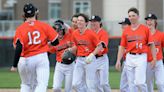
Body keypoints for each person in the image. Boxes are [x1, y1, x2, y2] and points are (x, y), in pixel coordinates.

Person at [10, 3, 59, 92]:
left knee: (26, 84)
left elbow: (18, 47)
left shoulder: (20, 29)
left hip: (24, 60)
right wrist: (46, 43)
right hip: (40, 57)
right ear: (35, 13)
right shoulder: (44, 25)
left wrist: (14, 65)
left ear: (24, 15)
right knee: (41, 84)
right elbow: (56, 42)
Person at [115, 7, 156, 92]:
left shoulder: (145, 29)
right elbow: (122, 47)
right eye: (129, 16)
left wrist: (154, 58)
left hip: (141, 57)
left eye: (133, 15)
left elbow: (152, 45)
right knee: (131, 85)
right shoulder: (126, 31)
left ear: (138, 16)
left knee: (139, 83)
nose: (131, 17)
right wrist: (118, 60)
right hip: (129, 57)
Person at [71, 13, 104, 92]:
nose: (79, 22)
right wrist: (70, 50)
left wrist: (92, 55)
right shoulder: (74, 33)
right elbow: (76, 46)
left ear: (86, 23)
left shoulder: (91, 34)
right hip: (79, 60)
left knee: (90, 85)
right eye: (78, 20)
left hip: (90, 60)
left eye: (81, 20)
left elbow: (100, 46)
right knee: (75, 84)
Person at [48, 20, 75, 92]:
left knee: (68, 90)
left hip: (70, 66)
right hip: (59, 66)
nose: (58, 32)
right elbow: (48, 53)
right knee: (56, 88)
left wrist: (63, 23)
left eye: (60, 30)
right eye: (56, 30)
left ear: (63, 30)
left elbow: (72, 30)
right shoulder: (54, 42)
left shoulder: (69, 36)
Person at [89, 15, 111, 92]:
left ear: (99, 23)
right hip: (93, 59)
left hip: (102, 59)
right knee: (95, 84)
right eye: (91, 21)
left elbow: (102, 46)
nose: (92, 23)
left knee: (104, 83)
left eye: (95, 21)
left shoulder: (103, 33)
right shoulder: (90, 33)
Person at [145, 13, 164, 92]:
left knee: (160, 83)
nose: (149, 22)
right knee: (148, 84)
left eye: (151, 20)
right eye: (148, 20)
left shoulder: (161, 34)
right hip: (147, 63)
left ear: (155, 21)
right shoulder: (144, 35)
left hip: (158, 62)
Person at [116, 18, 131, 92]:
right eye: (121, 25)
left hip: (134, 62)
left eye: (124, 24)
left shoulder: (132, 35)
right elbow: (121, 49)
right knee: (123, 87)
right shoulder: (123, 36)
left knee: (133, 84)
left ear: (129, 25)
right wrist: (118, 61)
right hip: (125, 62)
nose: (122, 26)